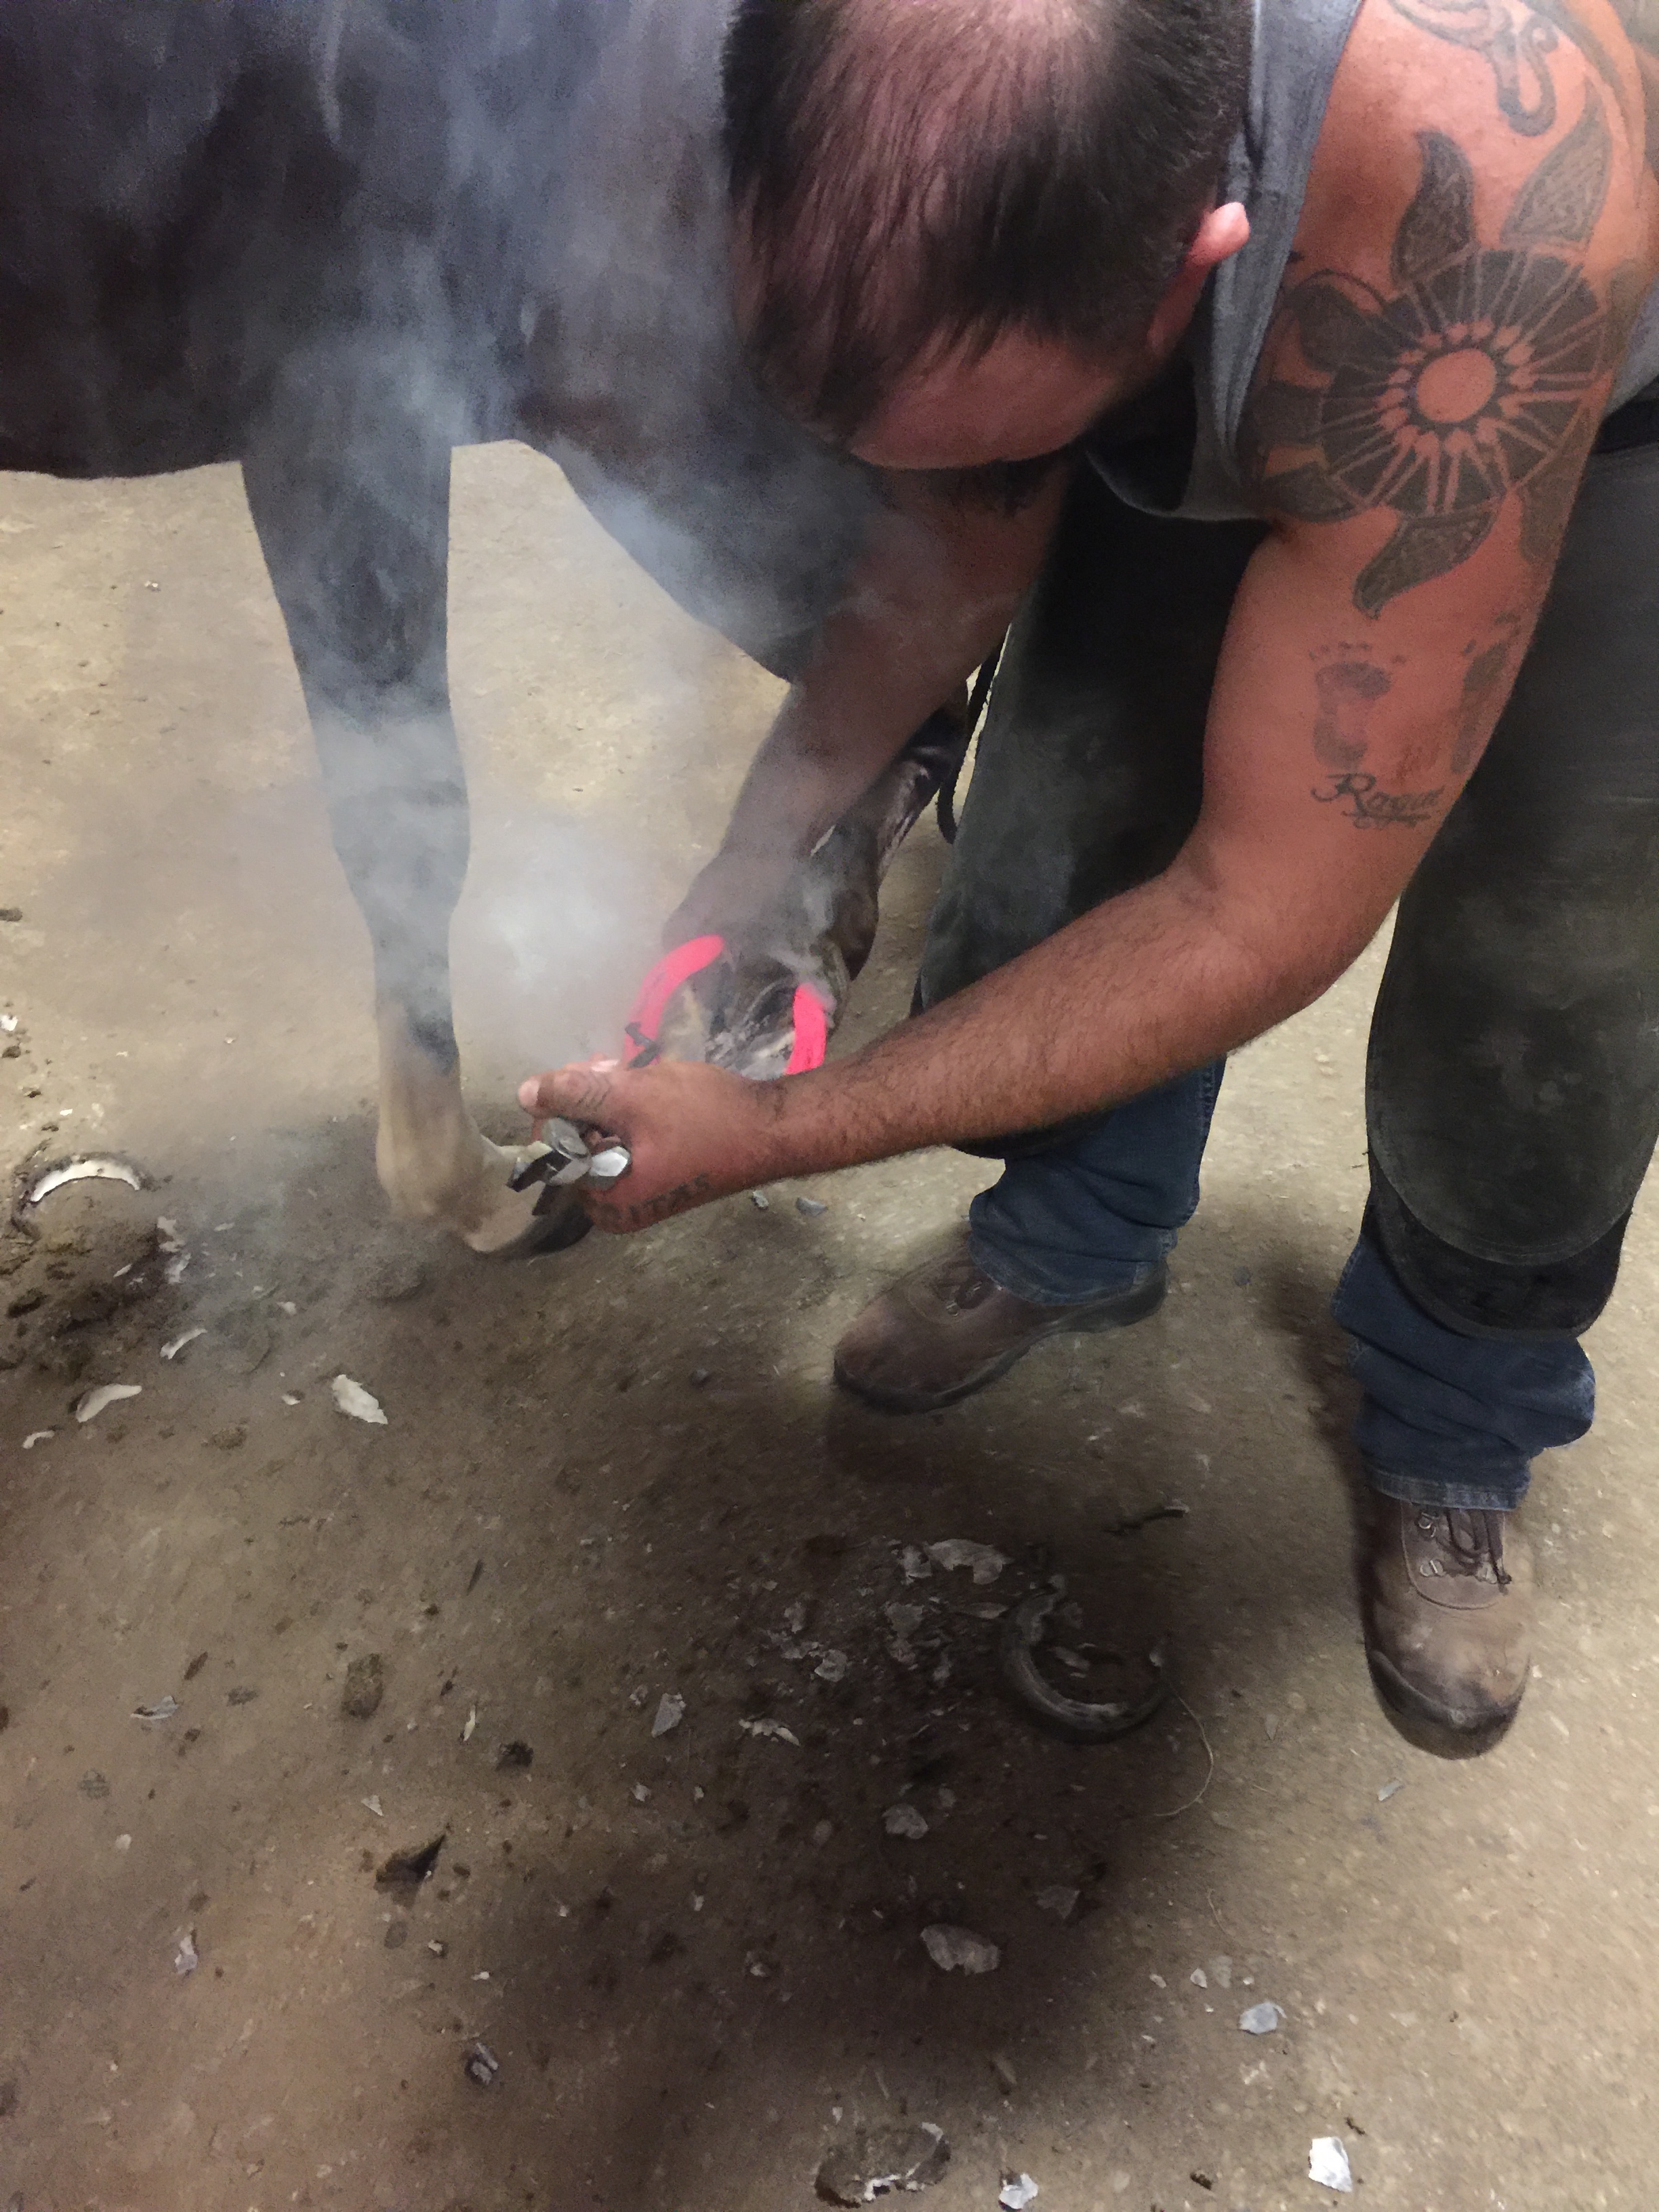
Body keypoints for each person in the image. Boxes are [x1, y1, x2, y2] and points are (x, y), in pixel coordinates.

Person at [523, 0, 1659, 1744]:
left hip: (1544, 378)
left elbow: (1261, 908)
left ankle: (1460, 1418)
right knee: (1060, 819)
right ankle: (1073, 1234)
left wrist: (783, 1129)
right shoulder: (867, 99)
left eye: (999, 439)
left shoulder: (1493, 211)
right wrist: (752, 866)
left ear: (1188, 267)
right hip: (1145, 300)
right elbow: (946, 543)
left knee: (1548, 961)